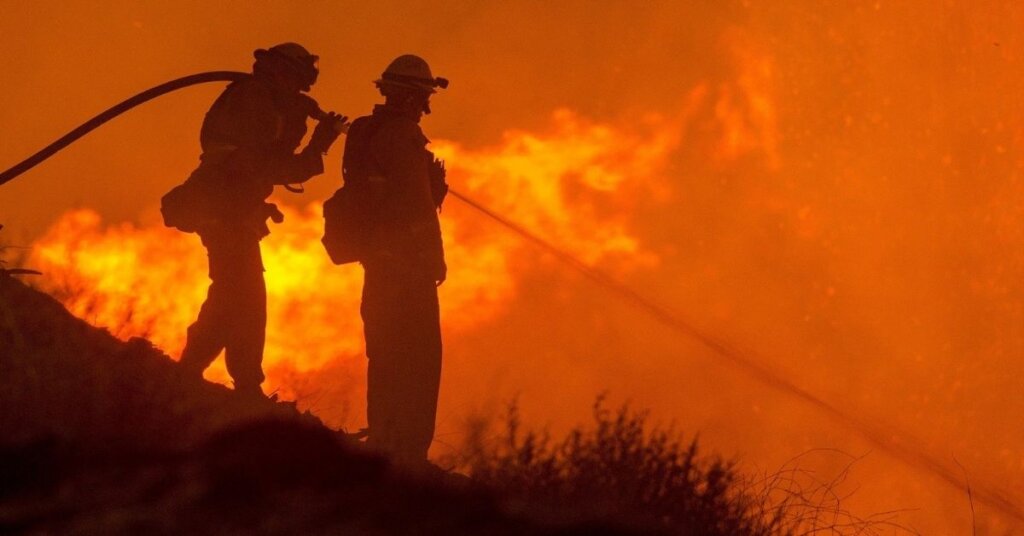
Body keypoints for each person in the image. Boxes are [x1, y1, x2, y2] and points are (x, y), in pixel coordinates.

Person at [172, 43, 344, 397]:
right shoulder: (252, 101)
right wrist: (318, 144)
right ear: (280, 72)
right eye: (296, 81)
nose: (299, 90)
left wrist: (308, 132)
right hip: (221, 206)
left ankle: (203, 369)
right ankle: (236, 379)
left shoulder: (268, 104)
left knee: (236, 294)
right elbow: (270, 165)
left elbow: (273, 158)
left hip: (234, 209)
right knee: (243, 294)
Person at [341, 54, 449, 462]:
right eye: (422, 99)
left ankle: (385, 438)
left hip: (377, 263)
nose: (424, 107)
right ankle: (409, 450)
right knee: (420, 357)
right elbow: (415, 206)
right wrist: (434, 256)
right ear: (409, 98)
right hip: (408, 267)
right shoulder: (403, 136)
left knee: (384, 353)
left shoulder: (365, 131)